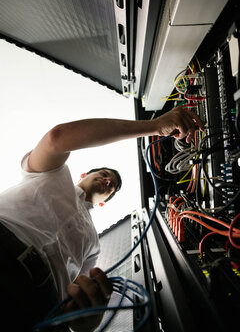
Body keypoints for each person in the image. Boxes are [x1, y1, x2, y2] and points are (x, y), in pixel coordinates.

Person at [0, 106, 204, 331]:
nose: (108, 181)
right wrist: (155, 127)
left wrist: (89, 320)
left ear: (104, 201)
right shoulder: (50, 175)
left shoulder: (94, 245)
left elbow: (79, 299)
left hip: (35, 308)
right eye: (104, 174)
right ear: (83, 175)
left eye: (112, 185)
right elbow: (56, 138)